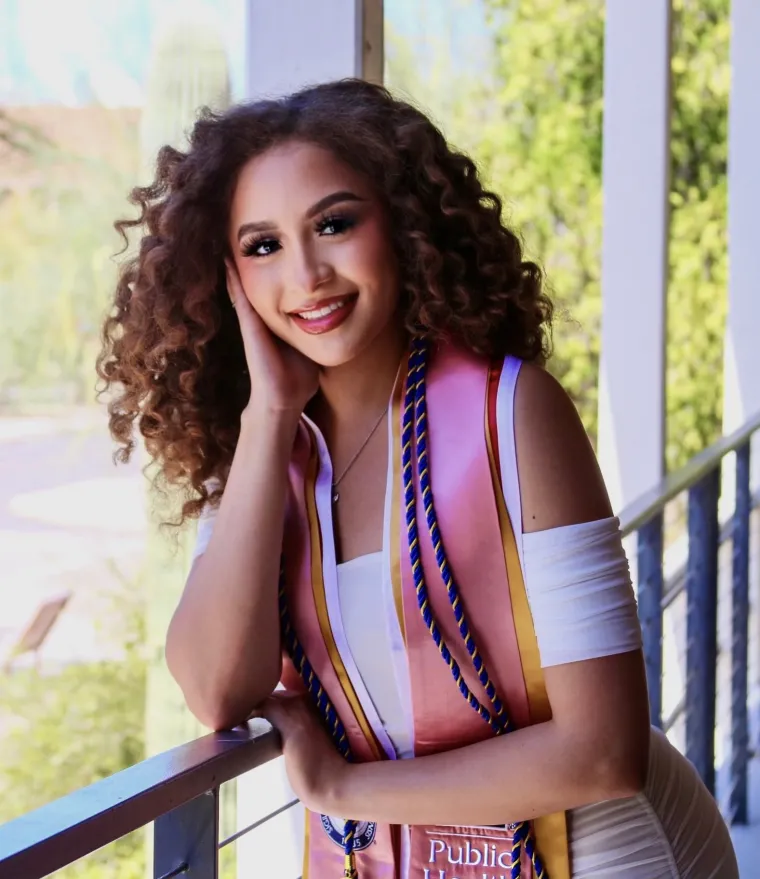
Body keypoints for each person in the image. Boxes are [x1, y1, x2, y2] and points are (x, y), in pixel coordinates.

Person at [98, 79, 737, 879]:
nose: (307, 275)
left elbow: (603, 751)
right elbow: (218, 690)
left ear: (399, 224)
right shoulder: (264, 463)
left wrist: (348, 788)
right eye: (262, 246)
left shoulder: (514, 413)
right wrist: (267, 418)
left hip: (577, 854)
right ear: (226, 279)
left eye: (334, 224)